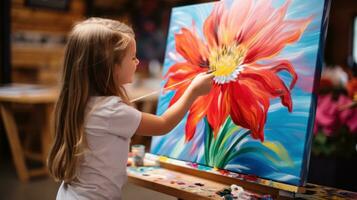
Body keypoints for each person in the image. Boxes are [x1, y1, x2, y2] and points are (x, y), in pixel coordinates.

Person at [47, 17, 214, 200]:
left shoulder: (81, 101)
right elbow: (163, 125)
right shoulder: (111, 110)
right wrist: (193, 91)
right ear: (111, 67)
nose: (137, 62)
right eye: (133, 57)